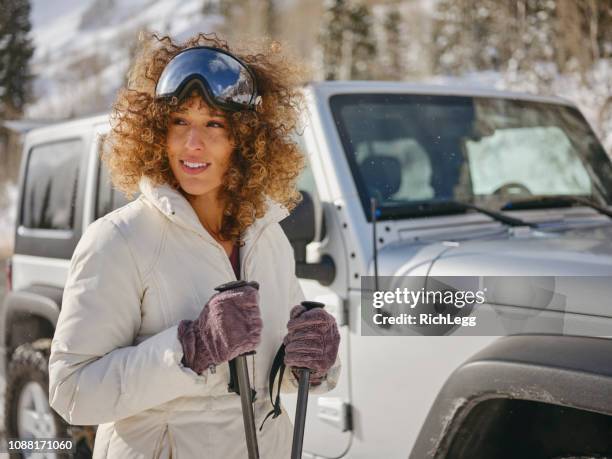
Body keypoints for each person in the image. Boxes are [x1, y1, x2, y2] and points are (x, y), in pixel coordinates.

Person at [48, 32, 341, 458]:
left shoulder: (266, 236)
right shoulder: (118, 240)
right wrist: (189, 350)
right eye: (179, 122)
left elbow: (268, 378)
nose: (192, 144)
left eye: (214, 124)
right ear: (155, 133)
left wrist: (315, 365)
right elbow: (73, 391)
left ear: (244, 138)